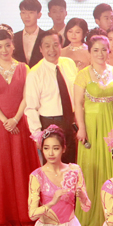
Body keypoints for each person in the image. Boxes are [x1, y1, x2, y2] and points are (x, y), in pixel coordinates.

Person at [0, 25, 41, 226]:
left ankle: (24, 211)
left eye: (7, 45)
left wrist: (15, 119)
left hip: (20, 122)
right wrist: (5, 120)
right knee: (1, 167)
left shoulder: (24, 68)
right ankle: (3, 212)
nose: (4, 50)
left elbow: (27, 96)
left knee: (21, 163)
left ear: (13, 45)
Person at [73, 34, 113, 226]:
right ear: (89, 52)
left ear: (109, 51)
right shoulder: (83, 74)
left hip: (112, 124)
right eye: (96, 50)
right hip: (91, 126)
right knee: (91, 168)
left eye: (104, 49)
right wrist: (81, 128)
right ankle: (91, 215)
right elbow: (78, 104)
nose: (100, 53)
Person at [24, 30, 78, 164]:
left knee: (72, 164)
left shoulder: (69, 64)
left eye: (55, 45)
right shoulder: (35, 73)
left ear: (61, 46)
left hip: (72, 122)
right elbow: (31, 108)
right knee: (53, 165)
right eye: (47, 46)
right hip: (50, 123)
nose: (52, 49)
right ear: (40, 49)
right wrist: (37, 135)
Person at [13, 0, 48, 67]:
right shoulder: (14, 37)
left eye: (31, 12)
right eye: (23, 12)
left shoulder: (46, 37)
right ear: (20, 15)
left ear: (39, 15)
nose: (27, 16)